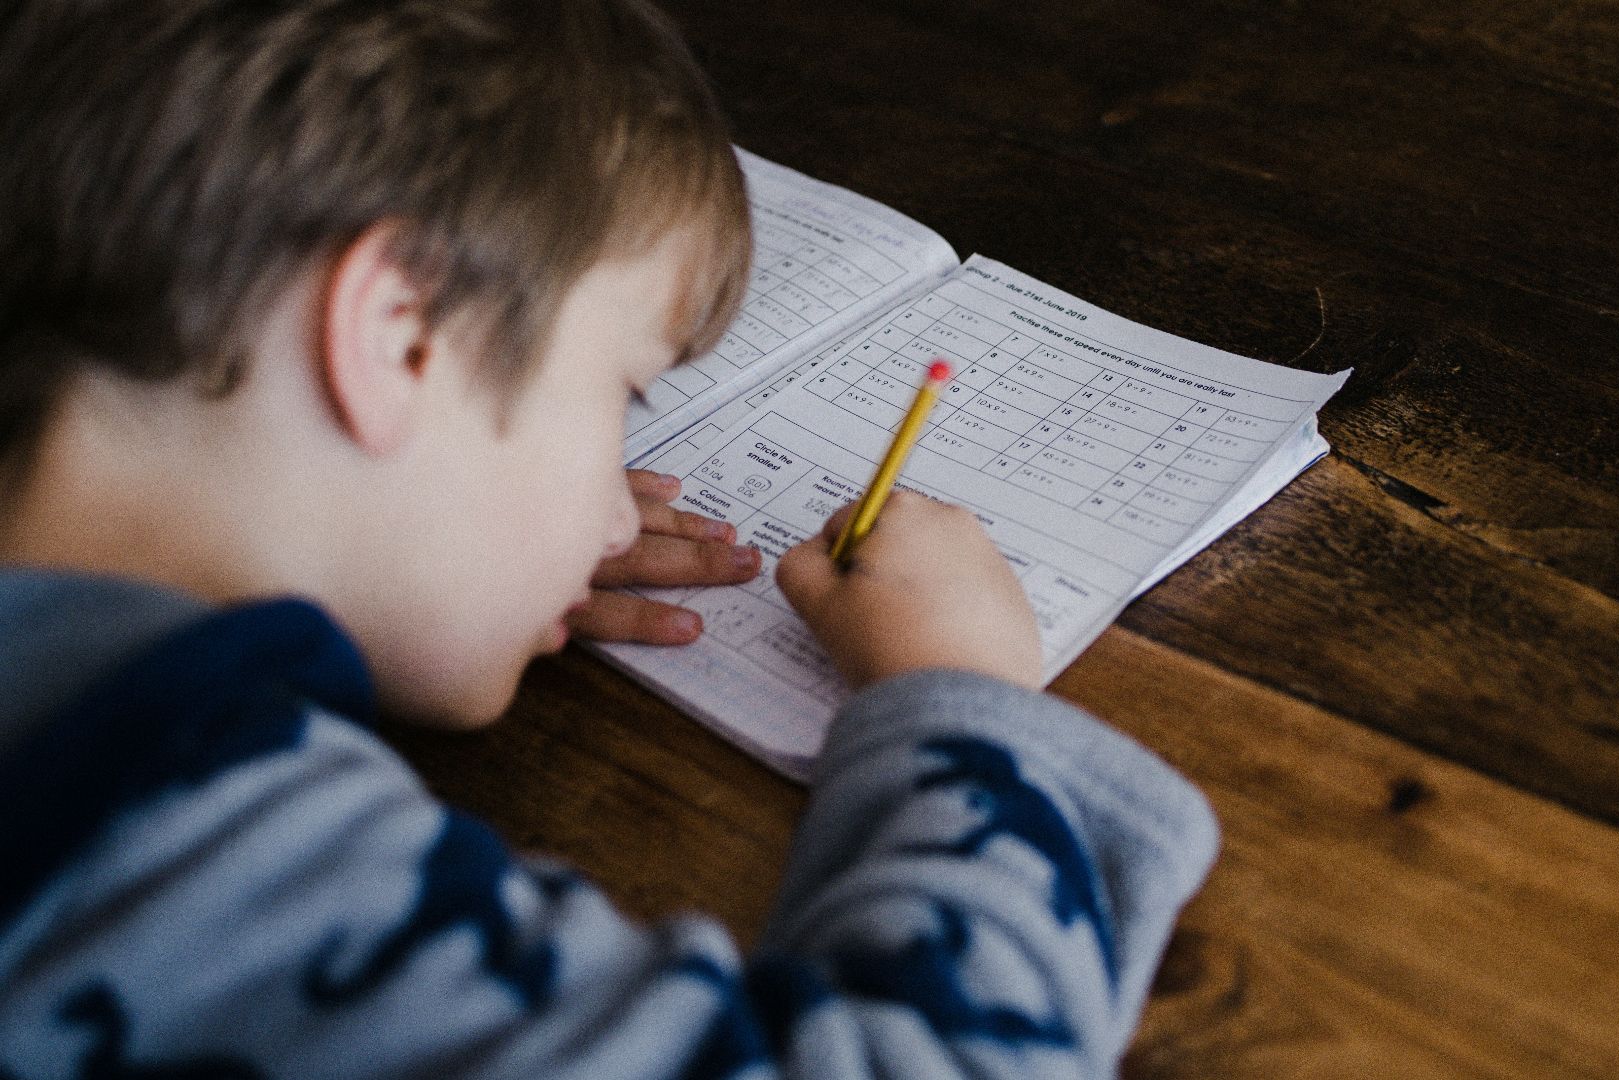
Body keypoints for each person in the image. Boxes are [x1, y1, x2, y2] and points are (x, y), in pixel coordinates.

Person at [0, 1, 1218, 1076]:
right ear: (400, 335)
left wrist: (422, 565)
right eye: (623, 395)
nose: (611, 505)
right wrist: (962, 700)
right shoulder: (188, 854)